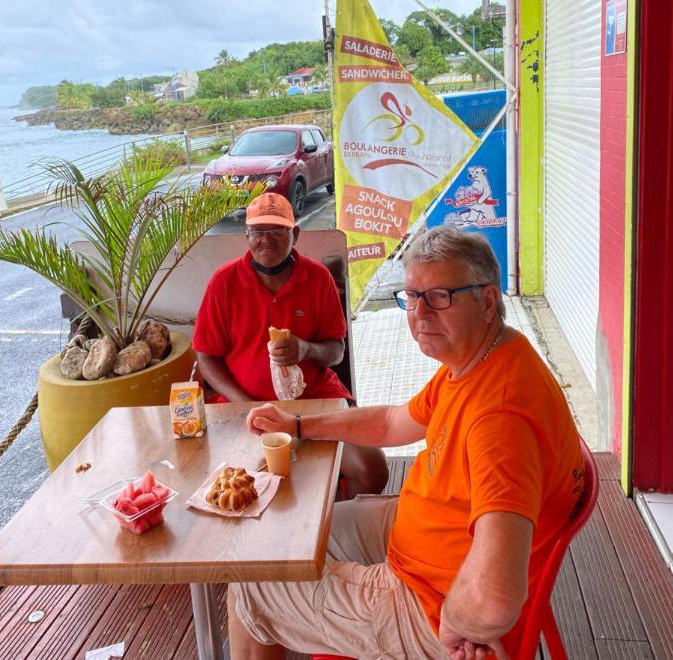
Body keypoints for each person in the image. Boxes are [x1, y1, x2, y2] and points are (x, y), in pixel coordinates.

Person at [228, 226, 585, 660]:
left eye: (440, 296)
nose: (419, 313)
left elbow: (494, 599)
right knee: (301, 531)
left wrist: (457, 619)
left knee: (249, 580)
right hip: (427, 535)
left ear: (488, 301)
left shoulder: (500, 418)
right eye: (412, 296)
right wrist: (299, 425)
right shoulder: (483, 357)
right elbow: (392, 423)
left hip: (429, 602)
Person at [192, 191, 388, 498]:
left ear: (294, 235)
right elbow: (206, 357)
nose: (265, 240)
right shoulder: (224, 282)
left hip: (314, 401)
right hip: (243, 406)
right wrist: (245, 403)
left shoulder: (318, 278)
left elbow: (336, 351)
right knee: (235, 487)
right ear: (247, 235)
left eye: (277, 231)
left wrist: (306, 349)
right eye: (257, 231)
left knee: (372, 468)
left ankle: (329, 527)